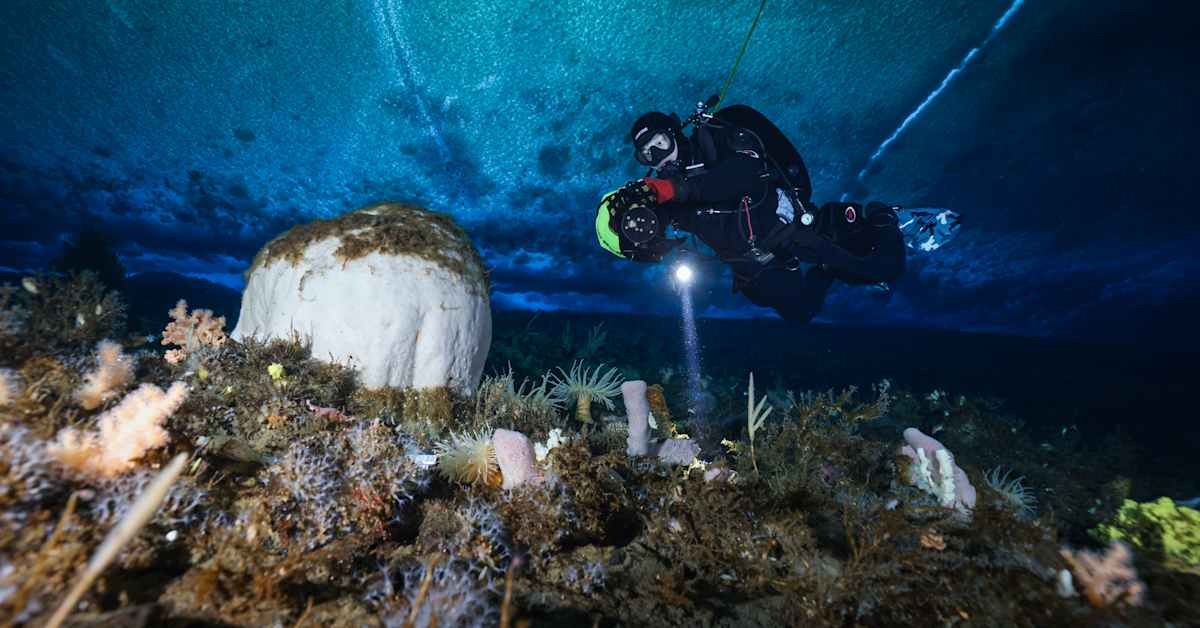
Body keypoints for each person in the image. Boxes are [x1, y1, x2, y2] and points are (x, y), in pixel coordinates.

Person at [596, 104, 906, 323]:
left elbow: (741, 176)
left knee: (883, 268)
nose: (658, 157)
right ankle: (826, 272)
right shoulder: (664, 191)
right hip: (754, 267)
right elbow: (645, 226)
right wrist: (636, 233)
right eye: (647, 154)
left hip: (789, 230)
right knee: (800, 314)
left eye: (660, 143)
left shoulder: (716, 139)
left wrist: (671, 190)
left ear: (675, 133)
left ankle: (882, 217)